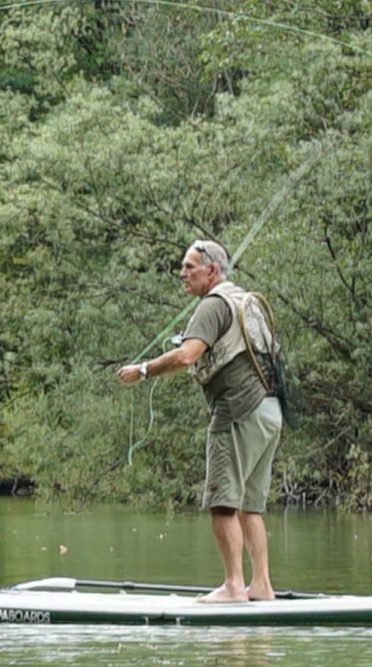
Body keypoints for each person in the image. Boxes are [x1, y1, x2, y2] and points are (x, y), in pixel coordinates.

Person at [117, 239, 285, 602]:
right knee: (250, 506)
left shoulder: (212, 305)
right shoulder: (245, 300)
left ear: (211, 271)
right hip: (270, 412)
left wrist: (144, 370)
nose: (182, 273)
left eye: (189, 267)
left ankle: (233, 587)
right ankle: (261, 586)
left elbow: (187, 356)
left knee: (223, 503)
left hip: (237, 412)